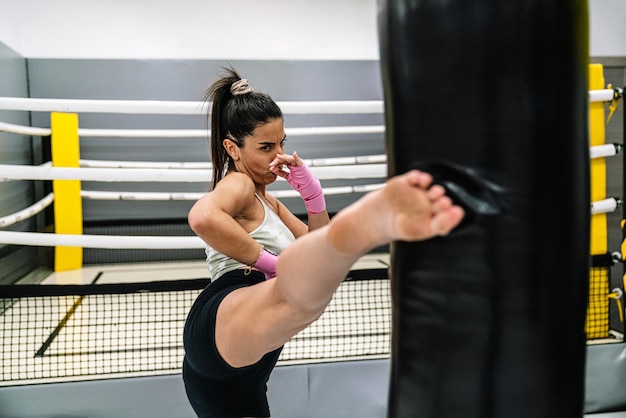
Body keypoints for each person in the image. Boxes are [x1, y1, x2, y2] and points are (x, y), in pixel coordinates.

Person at [182, 67, 465, 418]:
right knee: (300, 293)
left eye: (282, 143)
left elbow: (317, 248)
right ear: (232, 148)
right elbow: (202, 218)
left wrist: (312, 196)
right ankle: (364, 227)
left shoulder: (269, 202)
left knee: (313, 279)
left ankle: (354, 233)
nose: (277, 155)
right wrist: (271, 264)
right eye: (266, 147)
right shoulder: (238, 185)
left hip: (244, 375)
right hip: (228, 310)